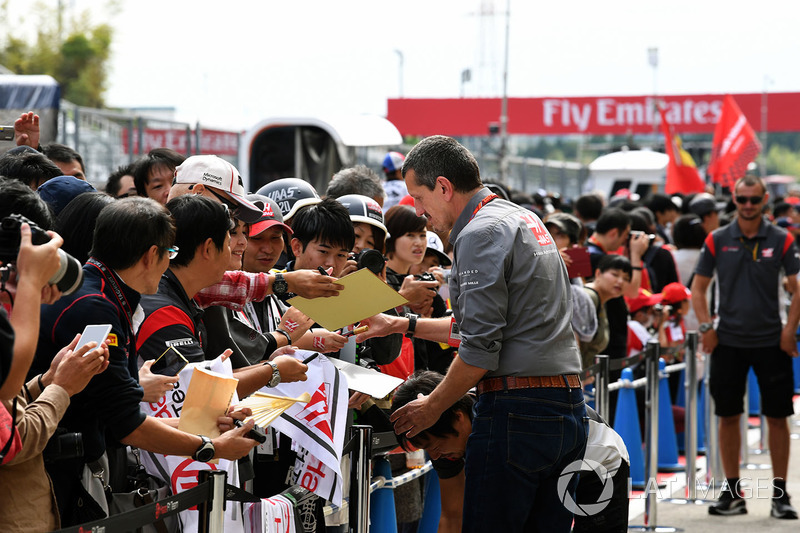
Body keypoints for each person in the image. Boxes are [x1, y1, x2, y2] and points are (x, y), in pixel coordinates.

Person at [358, 135, 586, 532]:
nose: (418, 210)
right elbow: (478, 331)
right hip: (564, 407)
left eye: (419, 196)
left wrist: (432, 406)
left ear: (444, 187)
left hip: (518, 412)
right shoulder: (522, 218)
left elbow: (479, 348)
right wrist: (403, 323)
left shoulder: (479, 232)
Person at [33, 197, 260, 525]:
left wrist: (203, 426)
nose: (170, 264)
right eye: (170, 254)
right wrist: (211, 446)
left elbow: (117, 416)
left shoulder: (102, 291)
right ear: (152, 255)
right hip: (50, 471)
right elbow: (128, 426)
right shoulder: (96, 306)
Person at [390, 371, 630, 533]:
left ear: (458, 418)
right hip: (548, 468)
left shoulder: (500, 425)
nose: (437, 454)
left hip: (600, 463)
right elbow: (452, 516)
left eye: (434, 445)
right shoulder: (446, 444)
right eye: (427, 449)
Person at [692, 175, 800, 519]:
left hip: (772, 341)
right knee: (727, 416)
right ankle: (733, 493)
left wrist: (789, 330)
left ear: (765, 199)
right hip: (728, 341)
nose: (749, 206)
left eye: (755, 199)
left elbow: (798, 289)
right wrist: (707, 327)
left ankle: (780, 496)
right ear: (734, 200)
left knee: (778, 418)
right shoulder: (717, 239)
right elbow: (698, 289)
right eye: (743, 199)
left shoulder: (782, 239)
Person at [578, 255, 632, 370]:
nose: (620, 281)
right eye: (615, 274)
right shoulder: (589, 297)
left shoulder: (602, 300)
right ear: (598, 273)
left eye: (626, 278)